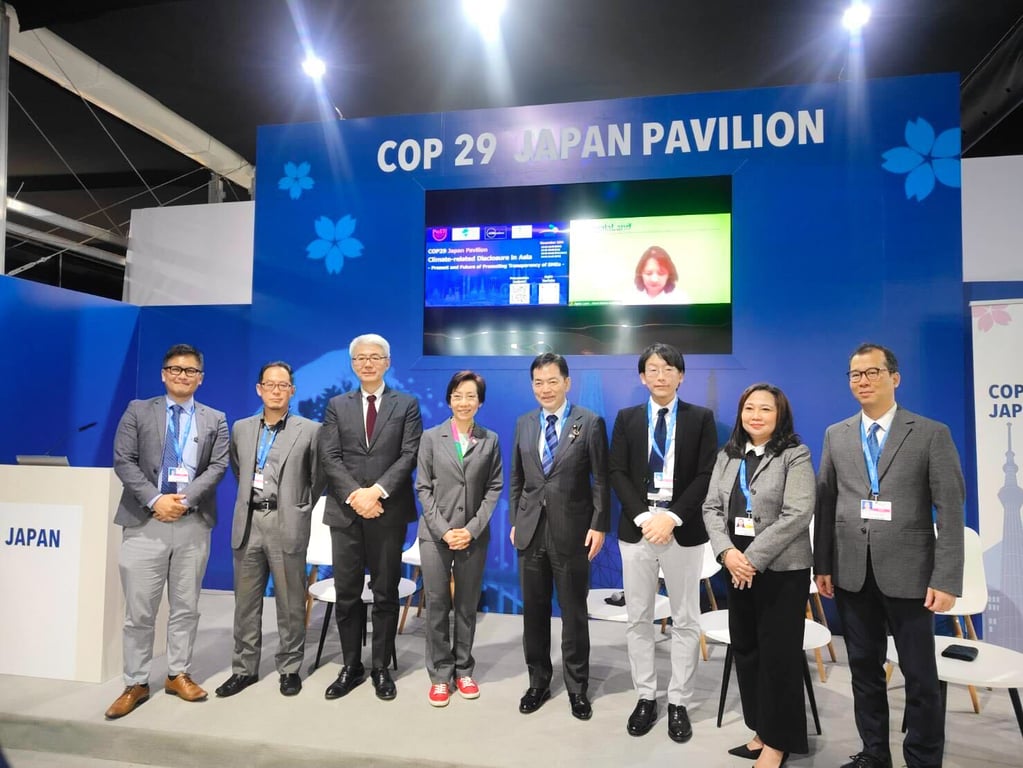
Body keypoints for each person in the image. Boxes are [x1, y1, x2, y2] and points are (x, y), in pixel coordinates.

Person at [815, 343, 965, 768]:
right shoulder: (836, 434)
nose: (862, 381)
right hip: (850, 573)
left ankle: (921, 760)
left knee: (920, 678)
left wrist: (947, 578)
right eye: (855, 374)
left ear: (894, 378)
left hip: (912, 575)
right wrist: (822, 565)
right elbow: (826, 503)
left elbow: (951, 509)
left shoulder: (931, 433)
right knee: (863, 672)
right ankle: (874, 755)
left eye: (872, 372)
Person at [105, 343, 229, 719]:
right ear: (163, 373)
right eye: (175, 369)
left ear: (201, 378)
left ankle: (178, 673)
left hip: (192, 523)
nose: (182, 376)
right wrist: (156, 500)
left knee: (186, 607)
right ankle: (136, 681)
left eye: (190, 371)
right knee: (139, 612)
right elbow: (123, 460)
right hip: (145, 522)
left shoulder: (215, 418)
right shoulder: (139, 410)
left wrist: (184, 499)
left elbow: (218, 466)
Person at [703, 383, 816, 768]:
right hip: (737, 568)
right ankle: (760, 729)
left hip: (781, 571)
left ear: (779, 415)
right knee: (747, 650)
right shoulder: (729, 455)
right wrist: (727, 553)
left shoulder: (795, 455)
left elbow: (797, 513)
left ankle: (779, 742)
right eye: (749, 408)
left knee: (778, 657)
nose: (756, 415)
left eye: (765, 409)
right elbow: (710, 508)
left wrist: (750, 558)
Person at [608, 342, 716, 743]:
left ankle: (679, 702)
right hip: (637, 530)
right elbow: (616, 470)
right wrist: (643, 517)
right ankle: (646, 696)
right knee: (639, 617)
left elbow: (707, 474)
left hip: (682, 530)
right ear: (642, 376)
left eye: (668, 368)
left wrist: (670, 518)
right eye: (652, 369)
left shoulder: (701, 418)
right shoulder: (627, 418)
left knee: (686, 620)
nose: (660, 375)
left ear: (681, 375)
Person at [318, 334, 423, 701]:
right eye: (361, 358)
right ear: (352, 364)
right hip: (346, 512)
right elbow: (329, 456)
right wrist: (356, 495)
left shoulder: (406, 404)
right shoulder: (336, 405)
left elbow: (409, 455)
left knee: (385, 593)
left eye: (375, 357)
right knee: (346, 593)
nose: (367, 363)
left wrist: (375, 492)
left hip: (387, 511)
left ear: (387, 362)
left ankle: (380, 667)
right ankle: (351, 665)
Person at [214, 361, 324, 699]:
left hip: (286, 521)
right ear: (259, 389)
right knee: (245, 603)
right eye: (270, 384)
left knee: (290, 602)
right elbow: (238, 468)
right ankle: (244, 669)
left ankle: (290, 668)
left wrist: (298, 507)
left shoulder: (310, 430)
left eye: (283, 385)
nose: (276, 390)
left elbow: (318, 478)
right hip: (248, 522)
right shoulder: (242, 429)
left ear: (292, 390)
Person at [509, 352, 610, 720]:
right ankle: (537, 682)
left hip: (573, 532)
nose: (545, 388)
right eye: (538, 382)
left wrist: (599, 524)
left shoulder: (590, 422)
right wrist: (516, 520)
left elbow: (601, 479)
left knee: (573, 612)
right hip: (531, 530)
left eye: (553, 381)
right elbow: (518, 478)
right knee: (533, 612)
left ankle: (577, 688)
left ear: (567, 383)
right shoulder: (523, 423)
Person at [414, 371, 503, 707]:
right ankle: (440, 674)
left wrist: (471, 529)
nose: (464, 402)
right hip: (436, 536)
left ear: (479, 402)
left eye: (471, 396)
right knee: (437, 605)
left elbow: (494, 487)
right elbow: (423, 486)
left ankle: (463, 669)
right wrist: (443, 529)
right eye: (457, 395)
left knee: (466, 606)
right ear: (449, 399)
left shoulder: (490, 439)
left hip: (472, 536)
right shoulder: (430, 437)